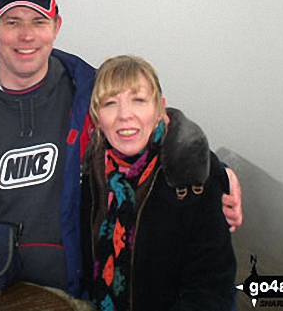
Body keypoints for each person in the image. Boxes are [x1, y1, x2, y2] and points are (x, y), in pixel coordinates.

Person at [0, 0, 241, 298]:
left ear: (56, 27)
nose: (26, 35)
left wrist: (213, 168)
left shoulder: (88, 93)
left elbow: (147, 122)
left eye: (39, 22)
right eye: (12, 22)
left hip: (79, 296)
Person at [82, 55, 236, 310]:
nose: (124, 115)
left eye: (139, 101)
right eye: (110, 103)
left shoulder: (193, 181)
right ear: (97, 117)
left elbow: (211, 288)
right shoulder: (89, 177)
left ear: (159, 110)